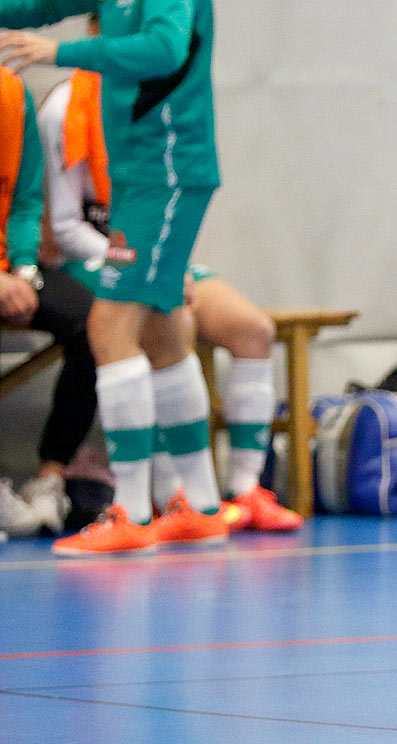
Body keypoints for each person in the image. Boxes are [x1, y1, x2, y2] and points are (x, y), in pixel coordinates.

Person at [0, 0, 228, 555]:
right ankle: (197, 502)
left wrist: (61, 50)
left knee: (108, 326)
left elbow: (163, 45)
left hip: (167, 173)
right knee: (164, 332)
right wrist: (34, 24)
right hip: (142, 178)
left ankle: (128, 512)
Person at [35, 43, 301, 532]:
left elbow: (175, 199)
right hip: (87, 256)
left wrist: (165, 258)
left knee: (252, 329)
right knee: (165, 318)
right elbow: (65, 226)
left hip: (154, 251)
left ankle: (244, 490)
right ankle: (165, 497)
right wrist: (147, 264)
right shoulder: (65, 106)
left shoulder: (161, 97)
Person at [0, 63, 96, 540]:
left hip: (10, 266)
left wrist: (21, 269)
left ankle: (50, 478)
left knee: (95, 323)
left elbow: (23, 201)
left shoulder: (12, 96)